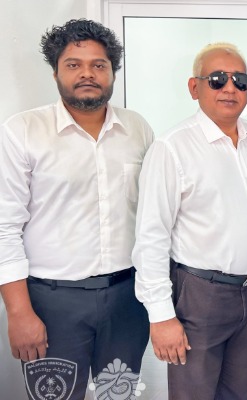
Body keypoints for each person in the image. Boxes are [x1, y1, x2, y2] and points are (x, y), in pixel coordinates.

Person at [0, 19, 153, 400]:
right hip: (52, 303)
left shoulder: (137, 129)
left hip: (127, 300)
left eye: (99, 65)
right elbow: (4, 227)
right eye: (74, 64)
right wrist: (18, 312)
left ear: (112, 72)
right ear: (56, 72)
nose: (87, 73)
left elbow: (154, 216)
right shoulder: (22, 131)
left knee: (117, 396)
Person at [132, 42, 247, 400]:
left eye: (240, 80)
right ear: (194, 87)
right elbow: (152, 237)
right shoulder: (172, 148)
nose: (230, 88)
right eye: (217, 79)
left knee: (238, 393)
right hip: (200, 297)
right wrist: (161, 315)